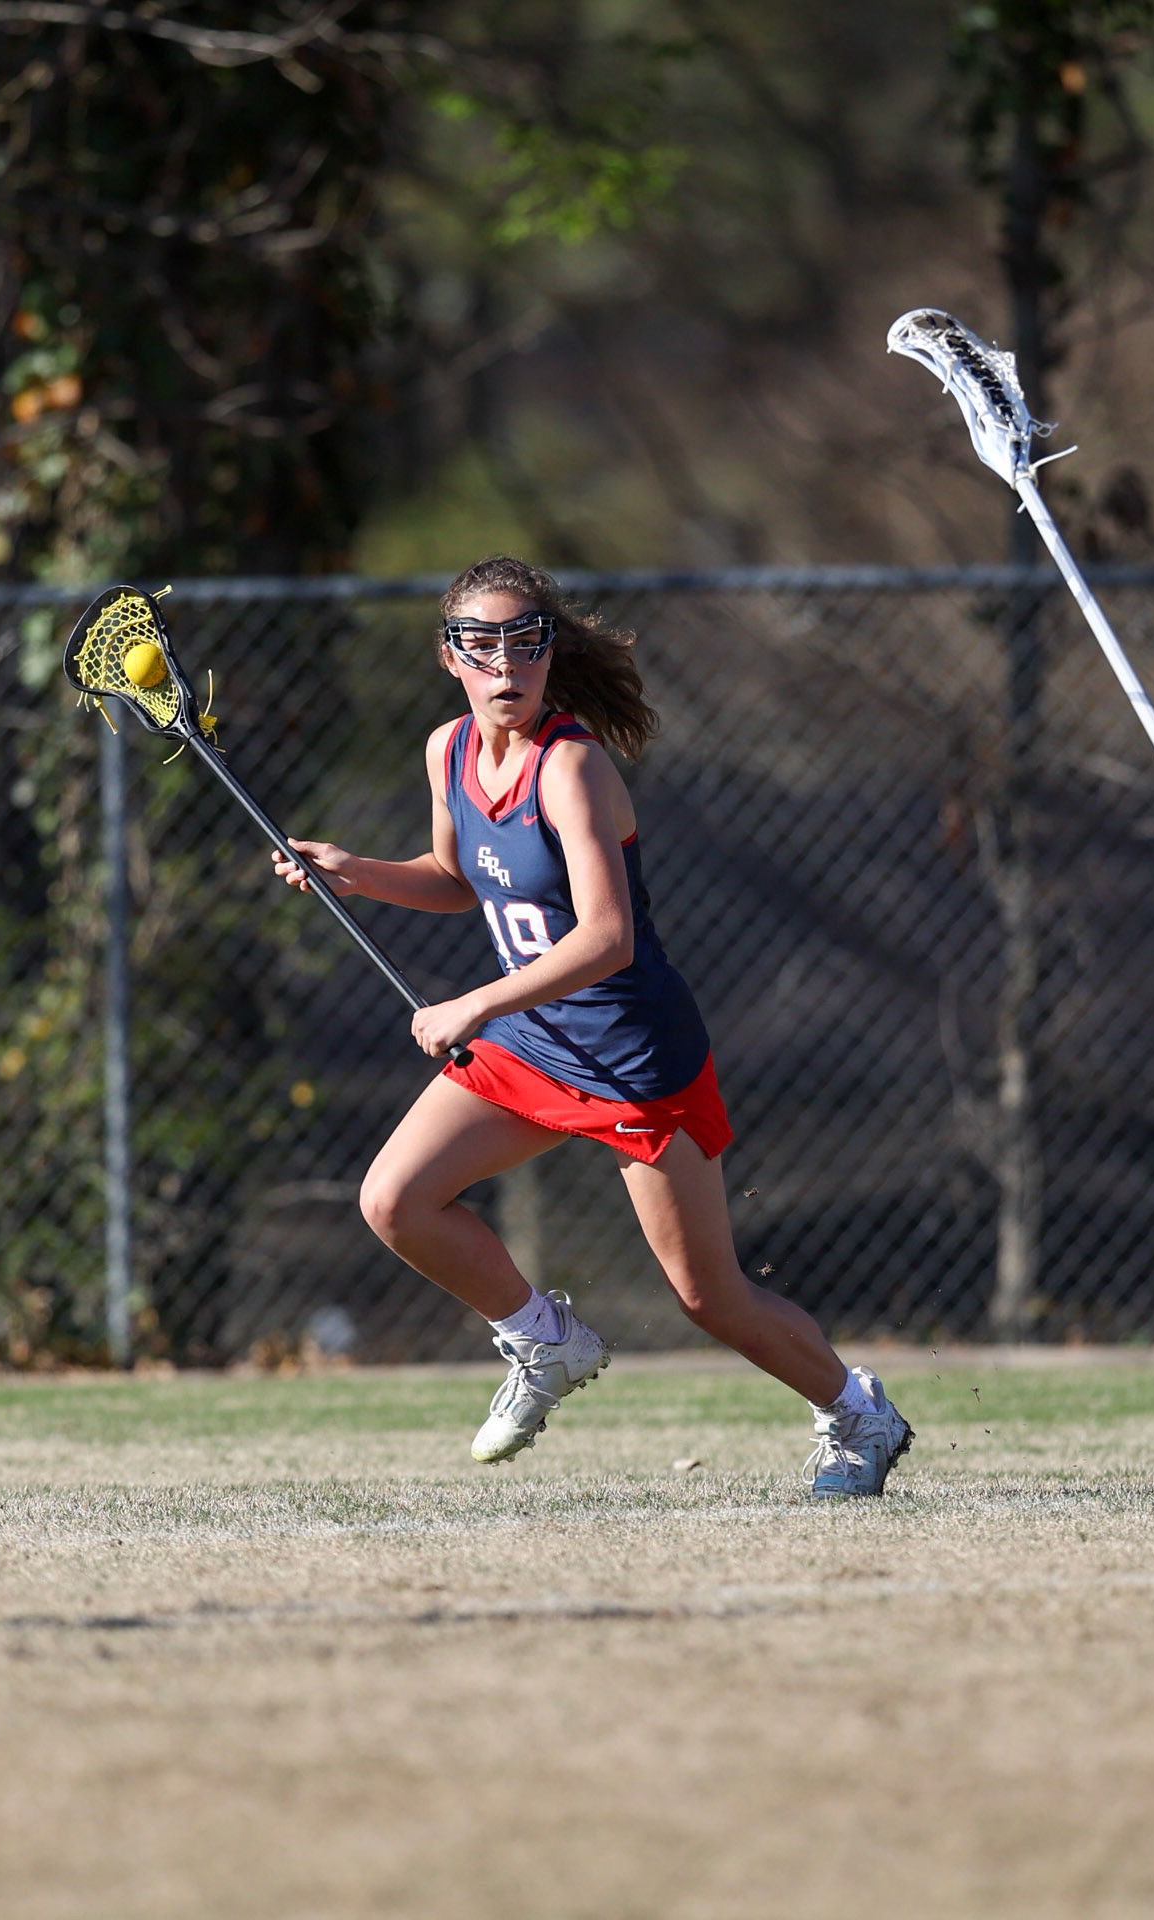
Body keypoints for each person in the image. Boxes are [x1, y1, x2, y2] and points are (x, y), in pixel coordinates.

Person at [273, 555, 911, 1494]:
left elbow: (608, 938)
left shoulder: (569, 766)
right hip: (534, 1042)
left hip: (629, 1057)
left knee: (709, 1297)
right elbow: (462, 881)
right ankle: (545, 1340)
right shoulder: (448, 751)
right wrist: (354, 870)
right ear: (450, 657)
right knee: (394, 1202)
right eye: (479, 646)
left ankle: (861, 1415)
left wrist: (474, 1003)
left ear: (548, 653)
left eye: (523, 643)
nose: (504, 666)